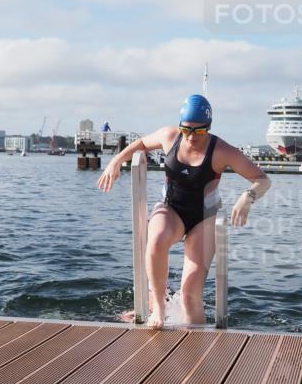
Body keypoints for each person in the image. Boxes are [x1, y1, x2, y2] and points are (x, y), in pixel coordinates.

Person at [98, 94, 271, 329]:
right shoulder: (170, 136)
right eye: (186, 129)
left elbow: (262, 180)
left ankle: (195, 343)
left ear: (208, 128)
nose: (191, 136)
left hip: (204, 217)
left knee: (190, 295)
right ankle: (159, 306)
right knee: (156, 239)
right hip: (171, 208)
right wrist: (115, 161)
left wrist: (247, 197)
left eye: (199, 131)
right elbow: (141, 144)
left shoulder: (221, 150)